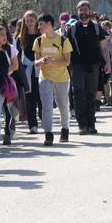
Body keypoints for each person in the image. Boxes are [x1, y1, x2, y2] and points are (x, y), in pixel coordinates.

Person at [66, 1, 110, 135]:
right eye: (80, 10)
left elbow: (104, 47)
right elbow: (66, 49)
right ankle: (82, 125)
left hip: (94, 66)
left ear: (89, 11)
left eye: (85, 9)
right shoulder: (72, 29)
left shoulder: (97, 28)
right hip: (77, 66)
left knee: (91, 95)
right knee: (78, 94)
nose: (83, 12)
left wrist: (107, 63)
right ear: (77, 11)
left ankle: (91, 123)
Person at [33, 14, 73, 146]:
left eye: (41, 24)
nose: (39, 27)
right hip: (45, 77)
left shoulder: (63, 40)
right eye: (38, 24)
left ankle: (65, 129)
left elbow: (67, 62)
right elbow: (36, 61)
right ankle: (48, 133)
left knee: (63, 105)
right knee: (46, 107)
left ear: (49, 24)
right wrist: (42, 60)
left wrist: (54, 61)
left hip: (61, 78)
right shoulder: (38, 41)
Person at [16, 11, 42, 134]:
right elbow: (17, 56)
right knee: (29, 98)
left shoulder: (41, 35)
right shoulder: (21, 38)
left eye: (32, 20)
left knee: (41, 96)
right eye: (27, 21)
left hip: (41, 68)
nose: (29, 23)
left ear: (36, 21)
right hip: (26, 69)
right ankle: (32, 124)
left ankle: (44, 119)